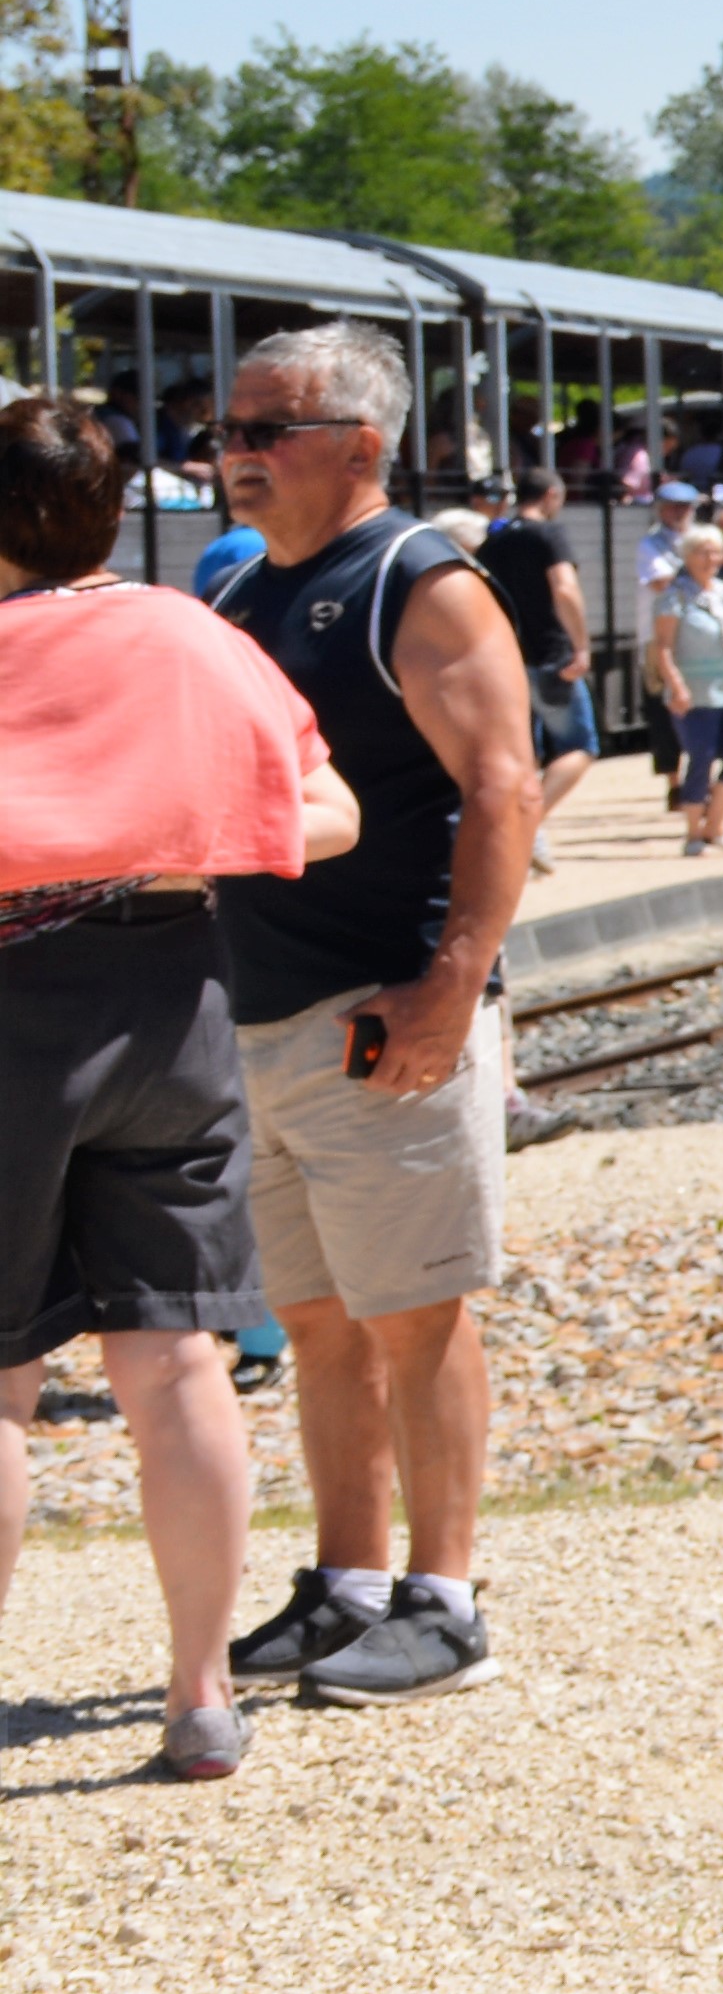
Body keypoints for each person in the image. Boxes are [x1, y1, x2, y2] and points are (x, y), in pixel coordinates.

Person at [0, 390, 363, 1784]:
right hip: (175, 1006)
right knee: (175, 1358)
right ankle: (202, 1697)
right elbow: (328, 813)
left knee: (4, 1379)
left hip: (13, 1011)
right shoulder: (187, 633)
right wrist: (167, 828)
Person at [192, 324, 541, 1708]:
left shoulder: (421, 581)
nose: (234, 454)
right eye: (227, 429)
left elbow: (503, 784)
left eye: (262, 430)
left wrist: (456, 981)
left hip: (386, 1009)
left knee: (418, 1311)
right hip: (263, 1014)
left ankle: (445, 1603)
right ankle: (347, 1582)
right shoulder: (239, 596)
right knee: (319, 1317)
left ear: (357, 444)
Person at [475, 473, 593, 859]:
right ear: (551, 495)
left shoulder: (494, 540)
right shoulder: (548, 535)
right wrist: (581, 646)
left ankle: (527, 837)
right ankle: (527, 825)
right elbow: (564, 588)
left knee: (527, 754)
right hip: (551, 655)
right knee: (580, 747)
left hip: (508, 660)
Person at [652, 528, 723, 856]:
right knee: (701, 757)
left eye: (715, 551)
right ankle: (693, 832)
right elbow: (662, 647)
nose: (709, 559)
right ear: (687, 556)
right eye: (702, 551)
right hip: (696, 691)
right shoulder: (675, 596)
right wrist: (676, 686)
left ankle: (716, 825)